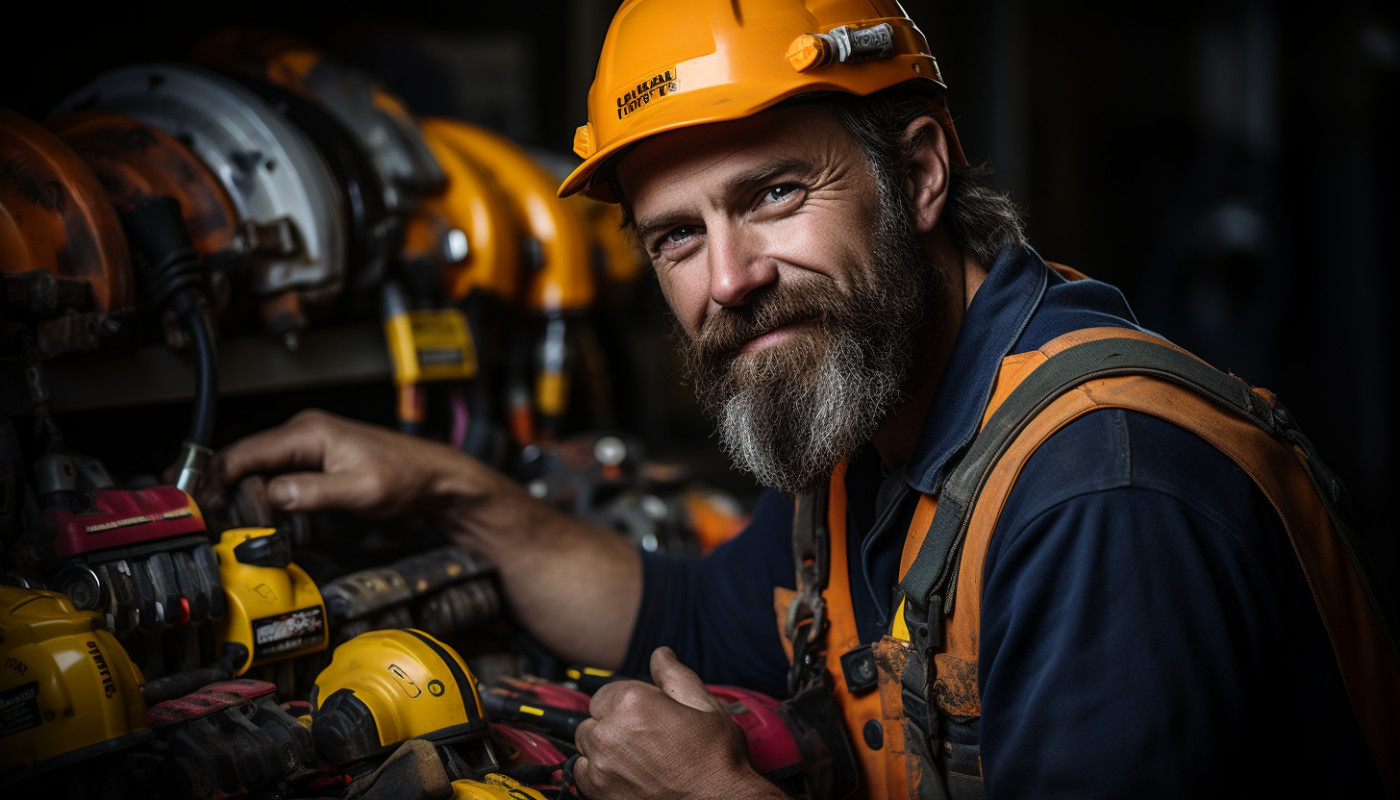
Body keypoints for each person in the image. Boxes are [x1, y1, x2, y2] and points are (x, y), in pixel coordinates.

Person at [208, 1, 1394, 798]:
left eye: (773, 192)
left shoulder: (1097, 493)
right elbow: (682, 609)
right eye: (676, 235)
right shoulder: (871, 423)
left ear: (919, 172)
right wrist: (455, 493)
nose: (727, 279)